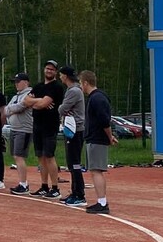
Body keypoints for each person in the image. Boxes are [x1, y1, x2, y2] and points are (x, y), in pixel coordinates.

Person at [24, 60, 65, 198]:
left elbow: (42, 104)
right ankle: (44, 186)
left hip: (50, 125)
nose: (49, 71)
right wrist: (39, 101)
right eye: (47, 68)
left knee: (49, 156)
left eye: (52, 69)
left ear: (56, 72)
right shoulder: (38, 86)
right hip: (37, 125)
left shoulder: (57, 87)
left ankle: (55, 188)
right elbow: (26, 101)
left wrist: (37, 102)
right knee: (40, 157)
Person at [80, 70, 117, 214]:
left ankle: (102, 202)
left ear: (85, 83)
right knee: (95, 170)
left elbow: (104, 120)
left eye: (81, 83)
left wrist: (109, 136)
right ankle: (101, 201)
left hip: (96, 139)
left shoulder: (97, 98)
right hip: (94, 138)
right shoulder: (97, 97)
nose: (81, 86)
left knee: (96, 171)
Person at [58, 65, 88, 206]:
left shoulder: (74, 91)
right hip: (71, 129)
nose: (60, 77)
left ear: (65, 76)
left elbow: (62, 109)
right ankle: (75, 191)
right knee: (71, 162)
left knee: (74, 162)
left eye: (61, 75)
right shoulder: (72, 90)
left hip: (75, 130)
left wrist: (61, 108)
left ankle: (79, 194)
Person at [5, 73, 34, 194]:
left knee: (19, 156)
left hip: (24, 129)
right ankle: (22, 183)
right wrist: (13, 109)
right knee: (15, 156)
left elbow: (20, 107)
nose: (16, 84)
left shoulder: (30, 94)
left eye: (18, 81)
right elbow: (6, 110)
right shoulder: (16, 96)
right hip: (14, 128)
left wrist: (13, 108)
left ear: (26, 82)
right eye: (15, 82)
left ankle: (24, 184)